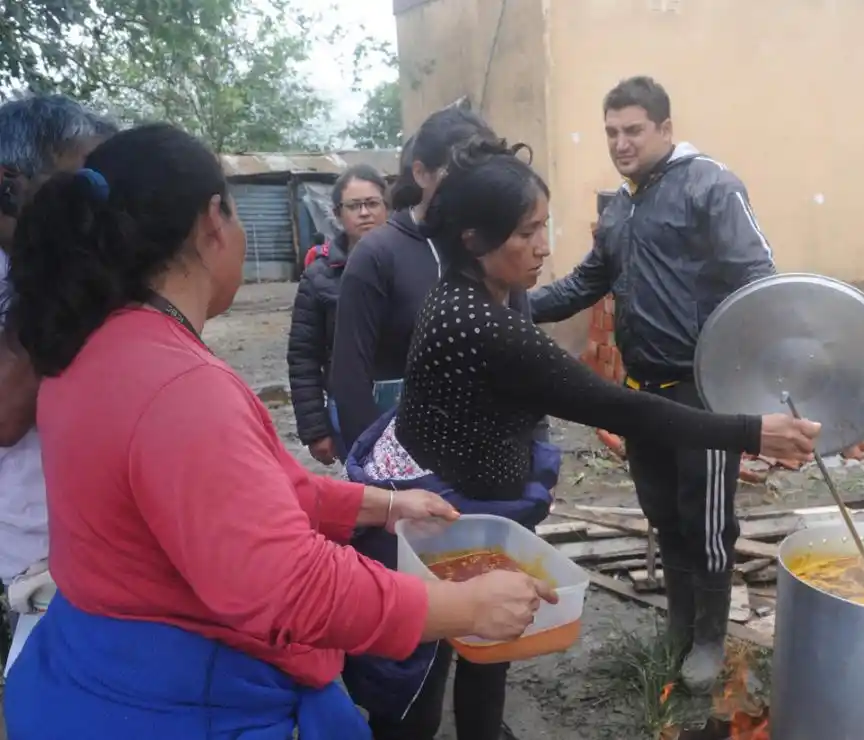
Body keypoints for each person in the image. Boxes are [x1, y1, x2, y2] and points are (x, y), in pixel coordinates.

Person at [0, 123, 559, 740]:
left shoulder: (98, 347)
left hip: (103, 673)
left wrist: (384, 503)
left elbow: (253, 494)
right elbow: (288, 584)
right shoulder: (175, 386)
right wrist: (463, 607)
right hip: (185, 699)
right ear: (213, 221)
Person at [343, 137, 821, 740]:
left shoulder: (486, 291)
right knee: (421, 667)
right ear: (473, 239)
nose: (543, 246)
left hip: (470, 497)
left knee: (490, 631)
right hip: (438, 514)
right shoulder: (483, 323)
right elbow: (619, 407)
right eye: (525, 233)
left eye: (545, 226)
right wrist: (753, 431)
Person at [529, 76, 784, 693]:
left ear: (665, 130)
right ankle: (678, 625)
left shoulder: (710, 186)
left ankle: (709, 638)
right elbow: (585, 283)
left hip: (704, 393)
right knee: (663, 514)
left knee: (707, 520)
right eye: (612, 131)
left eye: (633, 130)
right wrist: (508, 302)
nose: (621, 142)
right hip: (642, 392)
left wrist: (750, 375)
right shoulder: (621, 207)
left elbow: (759, 281)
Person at [0, 94, 118, 673]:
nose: (94, 206)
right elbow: (4, 415)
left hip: (96, 551)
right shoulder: (34, 277)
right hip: (34, 567)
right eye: (83, 184)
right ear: (9, 185)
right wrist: (46, 266)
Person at [329, 106, 520, 451]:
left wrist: (535, 454)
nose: (471, 185)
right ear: (421, 173)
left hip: (491, 455)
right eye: (456, 170)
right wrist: (378, 472)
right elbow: (350, 379)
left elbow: (526, 364)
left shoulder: (498, 247)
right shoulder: (377, 255)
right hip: (404, 461)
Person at [287, 164, 390, 465]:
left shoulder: (409, 264)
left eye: (372, 203)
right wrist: (315, 429)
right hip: (348, 407)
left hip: (407, 405)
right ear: (337, 213)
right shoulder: (319, 276)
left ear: (387, 208)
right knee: (367, 495)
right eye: (354, 206)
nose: (364, 213)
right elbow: (303, 355)